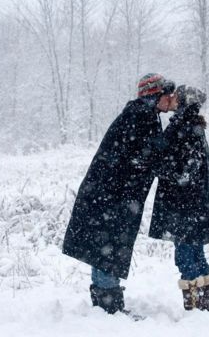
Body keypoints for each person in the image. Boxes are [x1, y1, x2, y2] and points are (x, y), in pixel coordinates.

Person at [62, 73, 178, 315]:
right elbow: (149, 157)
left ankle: (104, 305)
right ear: (155, 96)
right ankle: (109, 307)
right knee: (109, 245)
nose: (171, 99)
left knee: (103, 246)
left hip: (109, 193)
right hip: (113, 196)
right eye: (167, 95)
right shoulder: (141, 117)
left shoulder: (141, 115)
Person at [149, 85, 209, 311]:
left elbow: (184, 170)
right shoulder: (193, 126)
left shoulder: (183, 127)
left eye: (176, 96)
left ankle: (194, 307)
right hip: (195, 204)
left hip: (184, 205)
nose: (171, 98)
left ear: (183, 102)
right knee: (196, 253)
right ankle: (205, 303)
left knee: (185, 256)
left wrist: (158, 167)